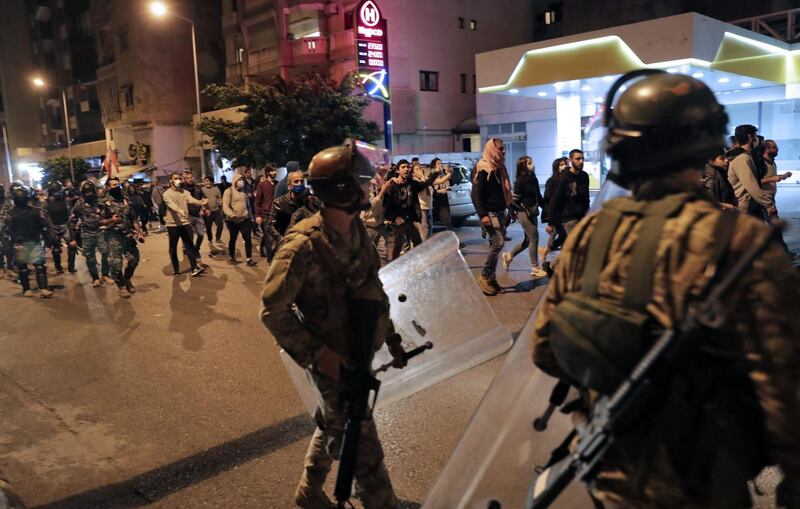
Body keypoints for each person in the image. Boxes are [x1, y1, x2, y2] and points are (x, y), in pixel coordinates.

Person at [531, 71, 800, 509]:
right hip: (701, 483)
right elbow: (784, 386)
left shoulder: (589, 235)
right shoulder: (738, 241)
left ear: (621, 148)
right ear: (705, 143)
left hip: (609, 473)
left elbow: (545, 350)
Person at [261, 141, 407, 509]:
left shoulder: (357, 230)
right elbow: (272, 311)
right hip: (332, 360)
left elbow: (371, 291)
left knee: (333, 422)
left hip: (359, 351)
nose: (371, 186)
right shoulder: (303, 245)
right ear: (343, 191)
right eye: (363, 181)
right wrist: (319, 355)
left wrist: (392, 338)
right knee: (366, 451)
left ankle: (308, 492)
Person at [471, 138, 512, 296]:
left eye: (503, 149)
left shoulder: (500, 169)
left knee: (496, 244)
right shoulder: (483, 168)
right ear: (492, 150)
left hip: (500, 212)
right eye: (500, 149)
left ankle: (492, 279)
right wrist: (483, 215)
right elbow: (476, 194)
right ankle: (485, 274)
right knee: (498, 242)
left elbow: (504, 192)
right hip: (490, 214)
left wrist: (511, 208)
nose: (503, 152)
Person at [382, 159, 440, 261]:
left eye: (408, 167)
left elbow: (426, 184)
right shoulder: (392, 186)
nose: (406, 169)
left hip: (409, 219)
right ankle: (394, 268)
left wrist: (435, 173)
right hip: (399, 222)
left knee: (418, 243)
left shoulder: (411, 183)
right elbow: (386, 207)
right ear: (398, 171)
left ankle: (419, 264)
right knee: (397, 246)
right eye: (403, 167)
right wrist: (395, 218)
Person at [502, 156, 547, 278]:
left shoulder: (534, 179)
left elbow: (538, 196)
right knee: (534, 238)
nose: (532, 164)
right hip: (523, 213)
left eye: (531, 161)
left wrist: (546, 209)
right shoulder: (520, 181)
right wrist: (512, 215)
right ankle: (535, 268)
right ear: (523, 166)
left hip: (533, 211)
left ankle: (509, 256)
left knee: (528, 241)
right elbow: (514, 200)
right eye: (529, 163)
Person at [100, 177, 145, 298]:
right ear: (108, 187)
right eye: (113, 185)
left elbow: (133, 218)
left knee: (134, 260)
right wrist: (111, 220)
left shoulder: (126, 200)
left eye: (117, 184)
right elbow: (99, 221)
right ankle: (121, 287)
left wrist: (139, 232)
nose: (117, 187)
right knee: (116, 263)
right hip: (114, 235)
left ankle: (127, 279)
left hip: (128, 235)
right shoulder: (104, 202)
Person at [7, 184, 53, 297]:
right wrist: (11, 243)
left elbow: (43, 226)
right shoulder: (10, 214)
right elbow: (7, 230)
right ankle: (26, 289)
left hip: (34, 241)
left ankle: (42, 288)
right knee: (23, 269)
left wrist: (48, 239)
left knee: (40, 266)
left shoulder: (36, 211)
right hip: (20, 243)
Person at [727, 124, 776, 220]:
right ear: (750, 137)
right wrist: (769, 205)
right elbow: (751, 186)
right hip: (746, 206)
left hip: (749, 205)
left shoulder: (743, 156)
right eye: (755, 136)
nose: (757, 140)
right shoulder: (742, 158)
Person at [163, 172, 206, 276]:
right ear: (171, 180)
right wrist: (180, 211)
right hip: (172, 225)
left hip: (185, 223)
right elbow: (171, 205)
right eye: (176, 178)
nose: (178, 180)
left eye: (179, 178)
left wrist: (201, 202)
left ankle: (194, 268)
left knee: (189, 245)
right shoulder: (166, 194)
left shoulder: (185, 192)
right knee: (173, 248)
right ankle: (176, 268)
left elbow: (191, 200)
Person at [69, 180, 109, 287]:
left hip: (101, 231)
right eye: (86, 192)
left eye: (90, 191)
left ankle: (105, 274)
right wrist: (72, 238)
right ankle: (95, 278)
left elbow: (109, 215)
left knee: (106, 253)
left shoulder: (101, 202)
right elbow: (72, 221)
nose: (89, 194)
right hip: (86, 233)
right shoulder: (79, 204)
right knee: (90, 257)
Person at [547, 148, 590, 238]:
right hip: (569, 218)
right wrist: (550, 222)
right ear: (570, 160)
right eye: (578, 159)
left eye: (582, 159)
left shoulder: (584, 176)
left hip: (582, 216)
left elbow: (586, 198)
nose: (581, 161)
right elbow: (555, 199)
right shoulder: (564, 177)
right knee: (574, 247)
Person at [268, 171, 309, 250]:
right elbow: (271, 226)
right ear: (289, 186)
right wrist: (282, 240)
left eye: (302, 181)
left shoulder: (307, 200)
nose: (299, 184)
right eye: (296, 181)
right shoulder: (279, 202)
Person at [222, 174, 256, 266]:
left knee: (247, 238)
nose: (242, 182)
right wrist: (231, 215)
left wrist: (251, 216)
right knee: (233, 238)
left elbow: (248, 205)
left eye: (242, 180)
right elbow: (225, 206)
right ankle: (231, 255)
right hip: (233, 220)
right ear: (235, 181)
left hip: (245, 219)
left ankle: (249, 258)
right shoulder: (228, 191)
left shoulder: (244, 192)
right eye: (239, 180)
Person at [44, 181, 77, 274]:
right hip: (53, 226)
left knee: (72, 246)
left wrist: (71, 231)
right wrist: (50, 231)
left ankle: (71, 267)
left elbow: (70, 215)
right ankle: (58, 267)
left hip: (65, 224)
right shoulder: (46, 203)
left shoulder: (66, 201)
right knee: (56, 248)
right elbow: (46, 218)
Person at [255, 164, 277, 261]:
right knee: (269, 238)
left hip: (276, 214)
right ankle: (270, 260)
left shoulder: (277, 184)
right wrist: (258, 215)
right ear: (268, 173)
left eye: (275, 170)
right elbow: (257, 201)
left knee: (276, 237)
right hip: (266, 215)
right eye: (272, 171)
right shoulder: (262, 185)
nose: (275, 172)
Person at [182, 170, 207, 256]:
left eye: (191, 177)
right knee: (189, 235)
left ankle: (196, 248)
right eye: (187, 178)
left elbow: (204, 198)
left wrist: (205, 208)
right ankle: (187, 249)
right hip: (187, 215)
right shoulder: (181, 189)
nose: (190, 179)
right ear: (184, 179)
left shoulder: (198, 188)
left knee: (201, 234)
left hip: (197, 215)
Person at [201, 176, 224, 251]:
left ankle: (218, 238)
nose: (207, 182)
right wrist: (203, 208)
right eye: (206, 181)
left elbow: (220, 198)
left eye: (208, 181)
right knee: (208, 227)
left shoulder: (216, 189)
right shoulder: (202, 190)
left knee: (220, 224)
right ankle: (210, 240)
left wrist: (220, 202)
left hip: (216, 210)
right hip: (207, 211)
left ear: (211, 182)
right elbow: (200, 200)